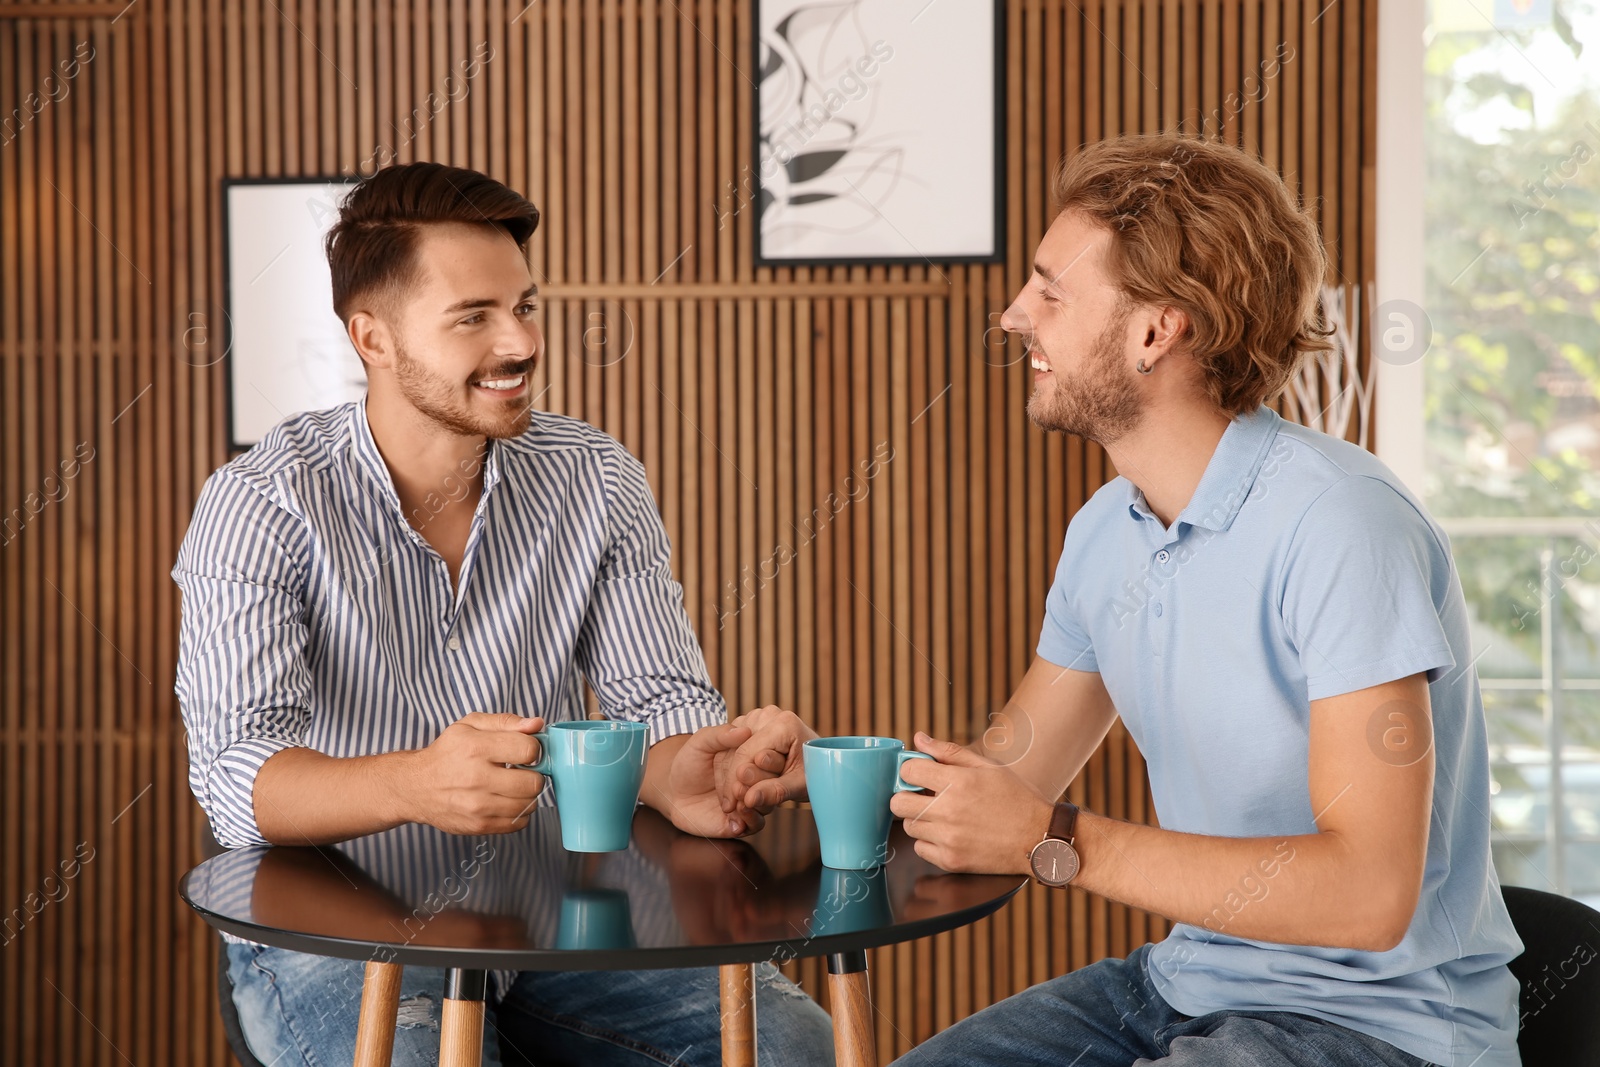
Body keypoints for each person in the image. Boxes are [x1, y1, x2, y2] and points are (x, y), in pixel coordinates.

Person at [877, 135, 1521, 1066]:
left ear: (1155, 331)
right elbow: (1012, 777)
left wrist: (1056, 841)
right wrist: (837, 787)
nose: (1016, 315)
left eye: (1051, 292)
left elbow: (1370, 894)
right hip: (1186, 985)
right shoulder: (1107, 530)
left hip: (1381, 1028)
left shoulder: (1340, 524)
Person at [173, 162, 834, 1067]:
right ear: (372, 336)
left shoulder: (593, 476)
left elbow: (662, 702)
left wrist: (696, 766)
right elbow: (234, 776)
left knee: (796, 1046)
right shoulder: (263, 503)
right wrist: (413, 784)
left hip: (554, 915)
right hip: (334, 935)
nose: (519, 342)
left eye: (524, 306)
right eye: (472, 317)